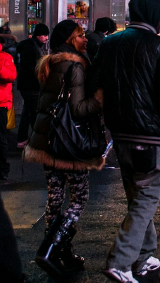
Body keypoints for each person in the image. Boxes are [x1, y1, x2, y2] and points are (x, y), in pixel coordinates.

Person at [90, 0, 160, 283]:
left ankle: (144, 255)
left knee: (137, 192)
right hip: (148, 133)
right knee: (149, 192)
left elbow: (96, 83)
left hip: (119, 131)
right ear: (154, 16)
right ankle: (120, 261)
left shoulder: (110, 42)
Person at [24, 20, 104, 279]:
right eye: (80, 35)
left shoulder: (51, 63)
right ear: (71, 40)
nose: (85, 39)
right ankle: (51, 248)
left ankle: (62, 253)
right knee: (78, 199)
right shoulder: (76, 66)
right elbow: (79, 110)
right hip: (69, 143)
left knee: (55, 198)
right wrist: (100, 99)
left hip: (47, 140)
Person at [15, 23, 49, 149]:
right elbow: (31, 68)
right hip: (31, 85)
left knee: (27, 112)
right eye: (44, 35)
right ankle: (37, 142)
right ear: (38, 35)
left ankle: (22, 139)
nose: (46, 38)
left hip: (27, 85)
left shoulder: (31, 46)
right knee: (33, 113)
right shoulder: (32, 48)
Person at [0, 37, 17, 180]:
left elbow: (10, 76)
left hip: (1, 103)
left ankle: (2, 169)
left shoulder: (5, 58)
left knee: (1, 137)